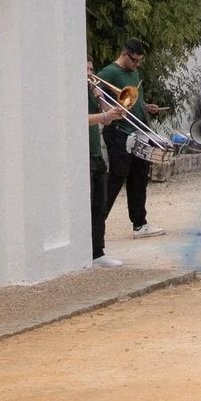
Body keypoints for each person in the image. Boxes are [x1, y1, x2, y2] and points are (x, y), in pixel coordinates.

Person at [94, 40, 166, 241]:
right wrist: (105, 110)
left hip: (138, 132)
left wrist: (146, 106)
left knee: (139, 177)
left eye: (139, 62)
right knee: (116, 178)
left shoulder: (133, 72)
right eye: (134, 60)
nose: (136, 65)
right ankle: (96, 225)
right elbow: (95, 95)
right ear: (125, 54)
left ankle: (139, 224)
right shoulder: (108, 72)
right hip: (119, 131)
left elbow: (131, 99)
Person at [86, 82, 125, 268]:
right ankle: (87, 252)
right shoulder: (72, 91)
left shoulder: (91, 93)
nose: (89, 73)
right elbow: (80, 119)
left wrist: (100, 96)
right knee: (87, 207)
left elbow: (107, 121)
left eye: (91, 69)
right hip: (84, 155)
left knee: (100, 205)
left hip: (96, 155)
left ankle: (97, 252)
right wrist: (104, 115)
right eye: (86, 69)